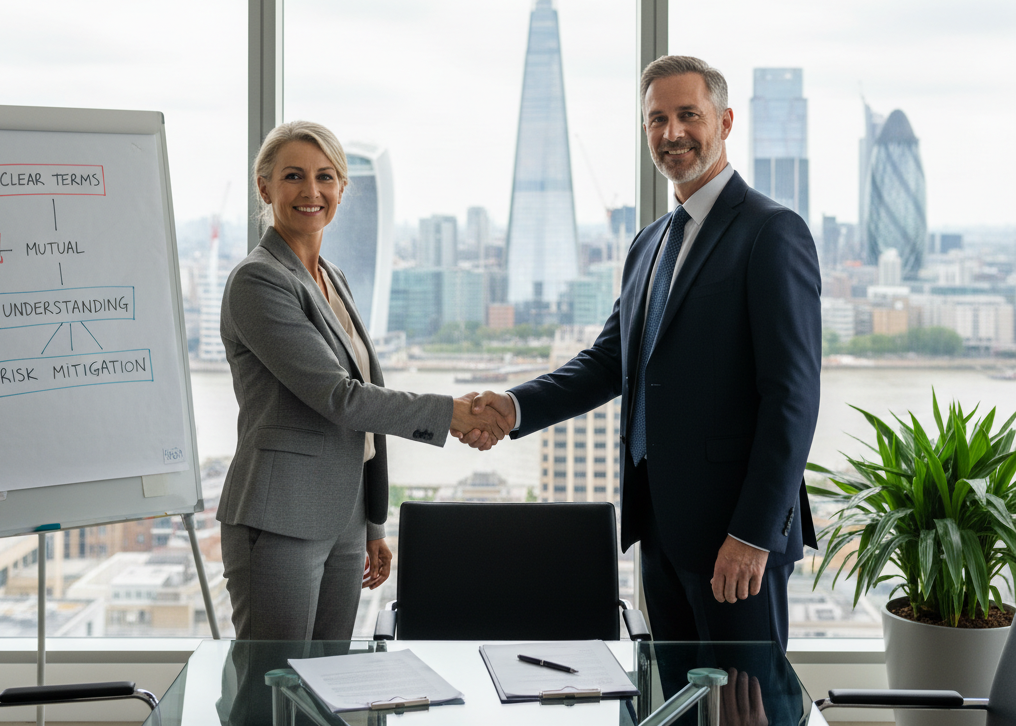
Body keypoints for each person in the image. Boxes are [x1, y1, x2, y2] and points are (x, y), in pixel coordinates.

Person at [461, 56, 820, 648]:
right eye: (657, 119)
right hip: (658, 531)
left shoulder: (771, 232)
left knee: (745, 707)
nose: (672, 133)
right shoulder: (649, 243)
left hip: (735, 540)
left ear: (725, 122)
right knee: (673, 698)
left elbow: (793, 399)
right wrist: (512, 406)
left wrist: (754, 535)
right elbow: (608, 363)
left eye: (688, 116)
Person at [217, 120, 507, 641]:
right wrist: (452, 413)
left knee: (326, 684)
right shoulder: (258, 279)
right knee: (271, 691)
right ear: (265, 188)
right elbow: (340, 397)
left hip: (345, 519)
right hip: (279, 517)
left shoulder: (334, 278)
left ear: (342, 189)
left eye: (325, 177)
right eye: (293, 177)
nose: (311, 191)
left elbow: (363, 418)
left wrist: (372, 523)